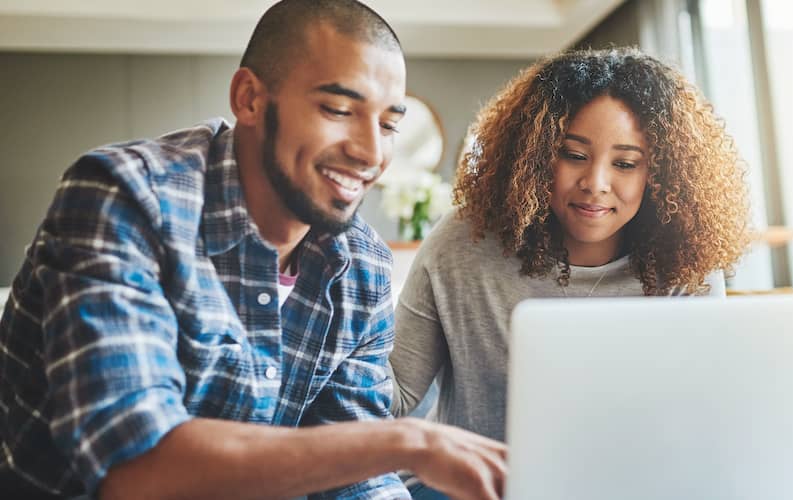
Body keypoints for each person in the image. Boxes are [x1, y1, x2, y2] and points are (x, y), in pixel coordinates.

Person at [0, 1, 506, 499]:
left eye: (389, 124)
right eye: (337, 109)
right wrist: (406, 441)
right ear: (249, 99)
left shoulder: (363, 265)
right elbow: (135, 469)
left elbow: (356, 481)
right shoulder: (126, 199)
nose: (372, 153)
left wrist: (388, 461)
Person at [390, 48, 752, 499]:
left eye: (625, 163)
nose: (596, 182)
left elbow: (701, 415)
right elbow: (395, 396)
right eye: (574, 154)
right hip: (470, 491)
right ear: (537, 154)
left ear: (658, 174)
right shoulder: (464, 243)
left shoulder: (684, 263)